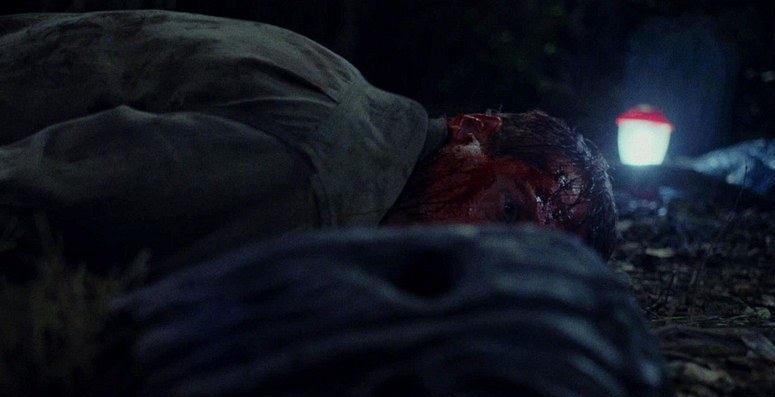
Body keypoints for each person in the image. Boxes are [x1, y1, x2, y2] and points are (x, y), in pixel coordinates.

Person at [0, 9, 616, 278]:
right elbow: (27, 196)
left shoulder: (354, 108)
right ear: (473, 130)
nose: (480, 254)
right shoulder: (323, 182)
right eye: (508, 209)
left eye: (515, 263)